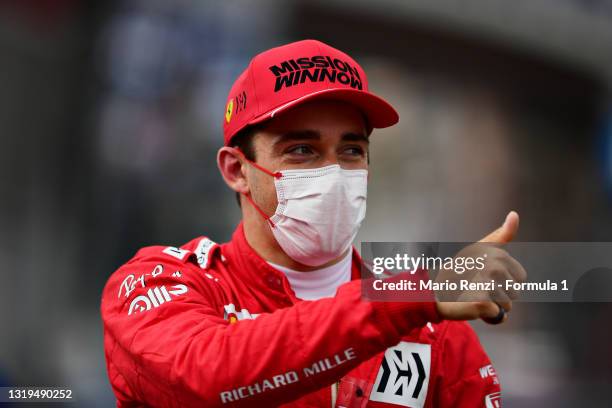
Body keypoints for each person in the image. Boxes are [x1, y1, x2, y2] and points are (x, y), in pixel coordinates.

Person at [101, 39, 524, 407]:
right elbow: (204, 378)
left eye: (352, 151)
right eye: (302, 150)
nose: (334, 173)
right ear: (236, 169)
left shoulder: (434, 331)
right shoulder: (160, 283)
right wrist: (409, 296)